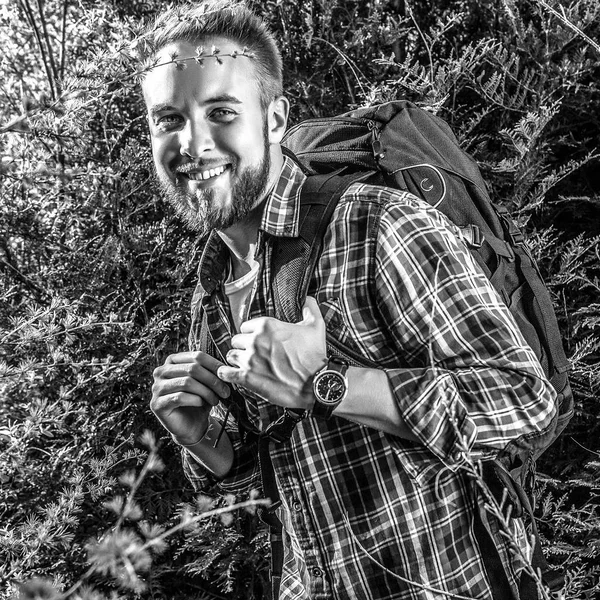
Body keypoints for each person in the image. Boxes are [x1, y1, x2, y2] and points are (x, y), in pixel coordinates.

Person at [141, 1, 557, 598]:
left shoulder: (376, 224)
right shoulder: (211, 290)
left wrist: (327, 383)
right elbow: (282, 476)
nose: (194, 143)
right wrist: (205, 442)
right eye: (168, 120)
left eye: (222, 112)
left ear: (275, 118)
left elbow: (524, 397)